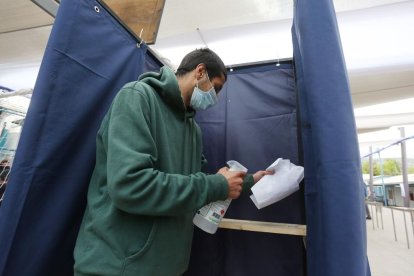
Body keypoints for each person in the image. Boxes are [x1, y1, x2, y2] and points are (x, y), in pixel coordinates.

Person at [73, 48, 272, 276]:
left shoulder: (193, 130)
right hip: (118, 267)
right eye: (215, 88)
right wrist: (216, 184)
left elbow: (193, 187)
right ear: (200, 71)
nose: (216, 98)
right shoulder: (137, 98)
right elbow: (131, 186)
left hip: (167, 266)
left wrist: (247, 180)